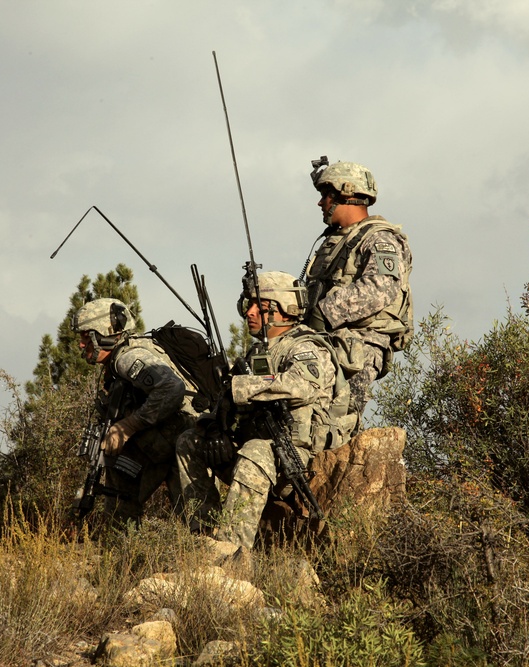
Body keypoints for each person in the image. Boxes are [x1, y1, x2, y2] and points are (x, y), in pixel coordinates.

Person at [177, 271, 350, 549]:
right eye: (248, 306)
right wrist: (212, 429)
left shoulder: (306, 346)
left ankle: (231, 548)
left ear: (284, 309)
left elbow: (300, 385)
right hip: (255, 455)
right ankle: (203, 537)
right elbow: (225, 399)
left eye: (261, 307)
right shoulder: (257, 353)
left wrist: (241, 388)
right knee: (189, 442)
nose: (250, 313)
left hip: (296, 461)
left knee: (255, 450)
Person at [302, 158, 413, 418]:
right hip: (328, 343)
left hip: (361, 347)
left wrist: (324, 312)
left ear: (346, 193)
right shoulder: (337, 242)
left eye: (325, 196)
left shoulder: (379, 239)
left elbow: (381, 287)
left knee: (337, 422)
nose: (321, 203)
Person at [74, 297, 198, 524]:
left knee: (196, 522)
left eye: (86, 336)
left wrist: (127, 426)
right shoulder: (120, 360)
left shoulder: (128, 358)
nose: (82, 344)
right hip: (166, 445)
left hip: (180, 443)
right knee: (190, 519)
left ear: (105, 332)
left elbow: (172, 388)